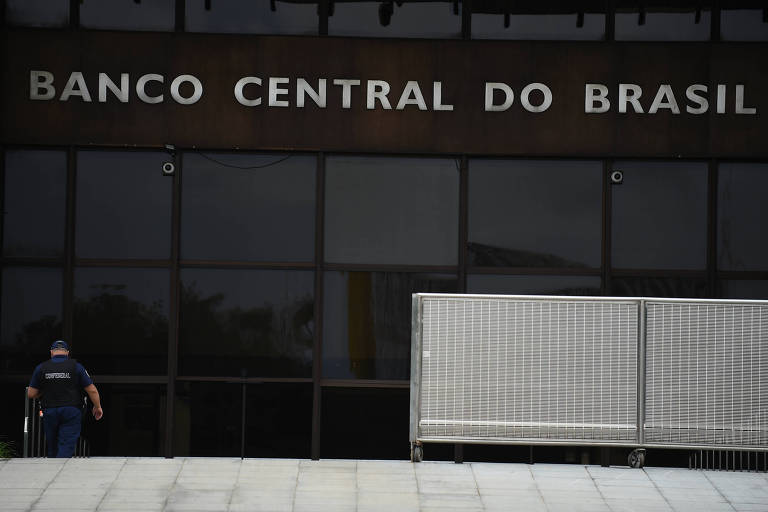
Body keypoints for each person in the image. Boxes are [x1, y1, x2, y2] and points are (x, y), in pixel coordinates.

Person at [27, 340, 103, 458]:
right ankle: (60, 471)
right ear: (67, 353)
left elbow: (31, 393)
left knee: (52, 445)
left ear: (51, 352)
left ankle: (52, 471)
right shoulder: (76, 367)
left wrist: (45, 392)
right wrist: (97, 407)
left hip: (49, 410)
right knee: (66, 445)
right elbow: (92, 390)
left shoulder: (41, 368)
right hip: (71, 410)